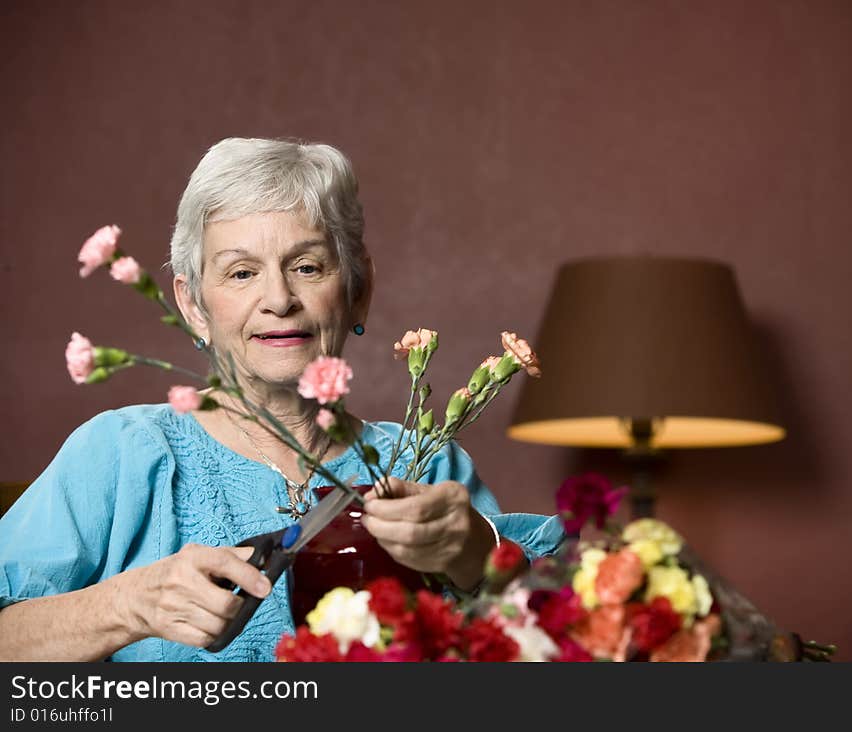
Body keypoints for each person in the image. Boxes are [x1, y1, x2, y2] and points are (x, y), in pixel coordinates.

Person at [0, 137, 564, 661]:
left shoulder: (429, 461)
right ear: (194, 305)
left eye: (306, 266)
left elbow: (564, 636)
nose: (278, 298)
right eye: (242, 272)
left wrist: (473, 555)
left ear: (358, 291)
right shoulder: (123, 453)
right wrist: (124, 606)